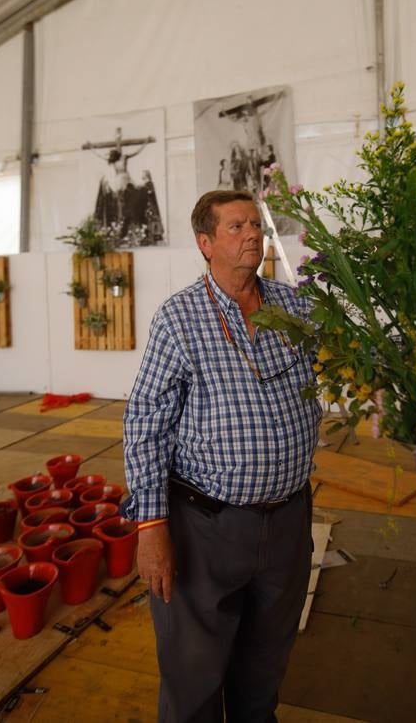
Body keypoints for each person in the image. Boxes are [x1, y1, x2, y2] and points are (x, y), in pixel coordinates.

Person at [121, 189, 321, 723]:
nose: (252, 233)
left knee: (264, 670)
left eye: (255, 224)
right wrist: (151, 527)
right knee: (194, 679)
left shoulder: (295, 308)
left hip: (287, 522)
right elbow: (145, 424)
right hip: (205, 528)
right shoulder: (179, 319)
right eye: (236, 227)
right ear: (205, 243)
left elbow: (347, 362)